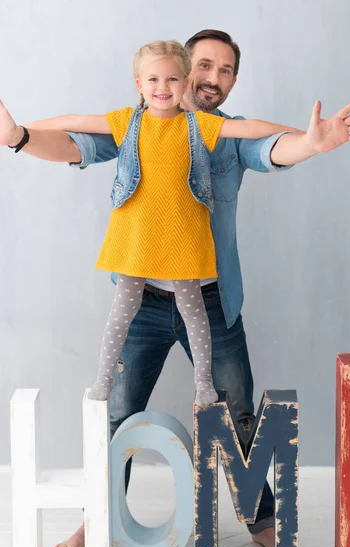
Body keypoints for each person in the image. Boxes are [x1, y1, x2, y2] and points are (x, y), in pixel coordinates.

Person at [0, 29, 350, 547]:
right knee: (117, 413)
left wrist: (312, 142)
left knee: (237, 410)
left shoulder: (222, 132)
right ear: (181, 70)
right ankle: (97, 517)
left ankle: (260, 519)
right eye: (205, 66)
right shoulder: (138, 124)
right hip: (144, 302)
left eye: (226, 71)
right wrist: (17, 137)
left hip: (212, 298)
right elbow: (72, 142)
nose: (213, 79)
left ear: (233, 80)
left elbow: (272, 147)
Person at [20, 39, 303, 408]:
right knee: (118, 361)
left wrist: (306, 137)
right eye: (153, 79)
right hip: (138, 250)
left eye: (225, 70)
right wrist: (19, 133)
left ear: (182, 82)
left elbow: (257, 135)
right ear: (140, 83)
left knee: (205, 338)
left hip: (190, 256)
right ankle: (103, 380)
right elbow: (72, 127)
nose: (163, 87)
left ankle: (204, 384)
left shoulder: (202, 126)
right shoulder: (128, 123)